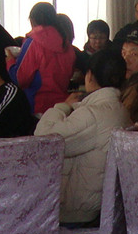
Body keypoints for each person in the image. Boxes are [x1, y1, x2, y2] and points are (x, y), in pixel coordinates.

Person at [34, 49, 132, 224]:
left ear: (90, 76)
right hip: (103, 208)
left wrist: (62, 107)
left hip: (78, 212)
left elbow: (43, 139)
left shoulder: (92, 114)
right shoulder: (121, 110)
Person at [9, 1, 76, 115]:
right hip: (62, 105)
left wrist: (10, 61)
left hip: (37, 105)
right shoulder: (67, 45)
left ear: (32, 20)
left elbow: (21, 79)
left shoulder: (33, 42)